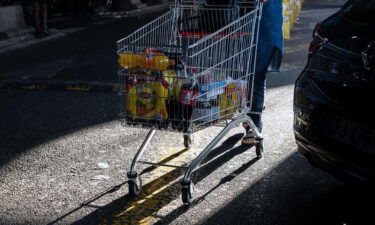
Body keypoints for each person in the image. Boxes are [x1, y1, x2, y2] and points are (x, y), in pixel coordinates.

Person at [241, 0, 283, 145]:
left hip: (264, 16)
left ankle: (255, 124)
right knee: (237, 69)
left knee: (256, 73)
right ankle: (246, 112)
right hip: (241, 14)